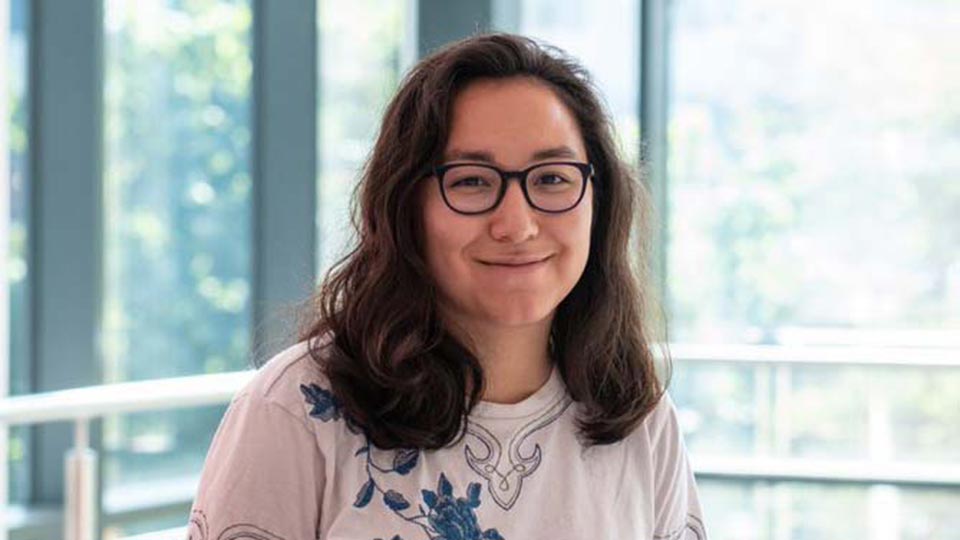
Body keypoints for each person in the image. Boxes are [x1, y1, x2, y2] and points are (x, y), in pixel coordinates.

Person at [186, 33, 706, 540]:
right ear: (405, 207)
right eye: (472, 181)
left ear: (600, 201)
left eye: (551, 178)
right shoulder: (298, 410)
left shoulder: (639, 418)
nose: (517, 224)